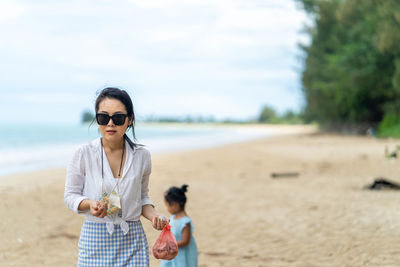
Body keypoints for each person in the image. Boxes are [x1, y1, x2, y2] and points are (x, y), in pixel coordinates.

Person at [64, 87, 168, 266]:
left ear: (130, 120)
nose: (110, 124)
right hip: (94, 241)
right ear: (97, 119)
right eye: (104, 118)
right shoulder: (83, 153)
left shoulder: (142, 155)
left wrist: (155, 217)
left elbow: (142, 198)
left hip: (132, 241)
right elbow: (70, 196)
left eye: (118, 118)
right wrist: (90, 204)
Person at [161, 185, 198, 267]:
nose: (167, 209)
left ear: (174, 205)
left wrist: (171, 245)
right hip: (173, 252)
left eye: (167, 206)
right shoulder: (173, 218)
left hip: (183, 253)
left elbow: (185, 241)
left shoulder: (185, 222)